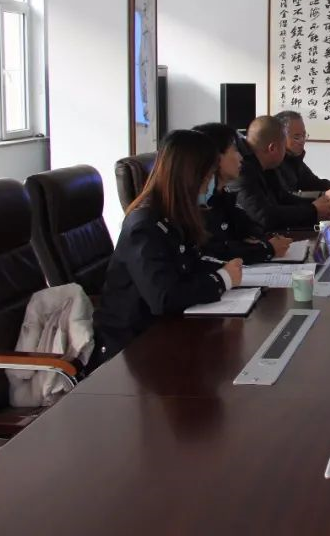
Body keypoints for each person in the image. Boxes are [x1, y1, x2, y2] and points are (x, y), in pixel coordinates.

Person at [91, 130, 243, 366]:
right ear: (191, 177)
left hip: (169, 330)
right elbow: (163, 297)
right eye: (208, 177)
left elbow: (191, 263)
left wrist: (224, 269)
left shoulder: (174, 215)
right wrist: (222, 279)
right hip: (131, 349)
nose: (210, 184)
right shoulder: (144, 226)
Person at [192, 122, 292, 263]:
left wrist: (264, 239)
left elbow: (250, 228)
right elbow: (215, 251)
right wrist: (266, 248)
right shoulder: (198, 203)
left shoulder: (224, 194)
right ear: (215, 157)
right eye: (234, 150)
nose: (241, 157)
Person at [230, 115, 330, 230]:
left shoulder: (266, 163)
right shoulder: (240, 168)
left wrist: (318, 205)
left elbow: (282, 197)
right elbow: (264, 216)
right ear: (272, 148)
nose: (286, 152)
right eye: (284, 147)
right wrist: (313, 210)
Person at [274, 110, 330, 200]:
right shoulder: (273, 162)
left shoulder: (294, 159)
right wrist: (324, 195)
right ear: (280, 137)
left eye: (304, 135)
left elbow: (314, 183)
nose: (302, 141)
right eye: (296, 137)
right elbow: (285, 197)